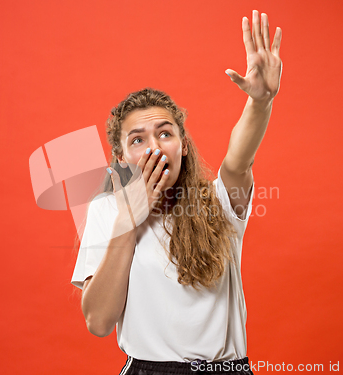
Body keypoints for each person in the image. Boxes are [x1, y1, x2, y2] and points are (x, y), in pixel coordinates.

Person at [71, 10, 282, 375]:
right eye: (138, 140)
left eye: (165, 133)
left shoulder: (217, 202)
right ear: (121, 158)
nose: (154, 147)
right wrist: (128, 221)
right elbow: (99, 322)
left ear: (182, 146)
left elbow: (237, 162)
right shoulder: (108, 212)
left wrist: (260, 102)